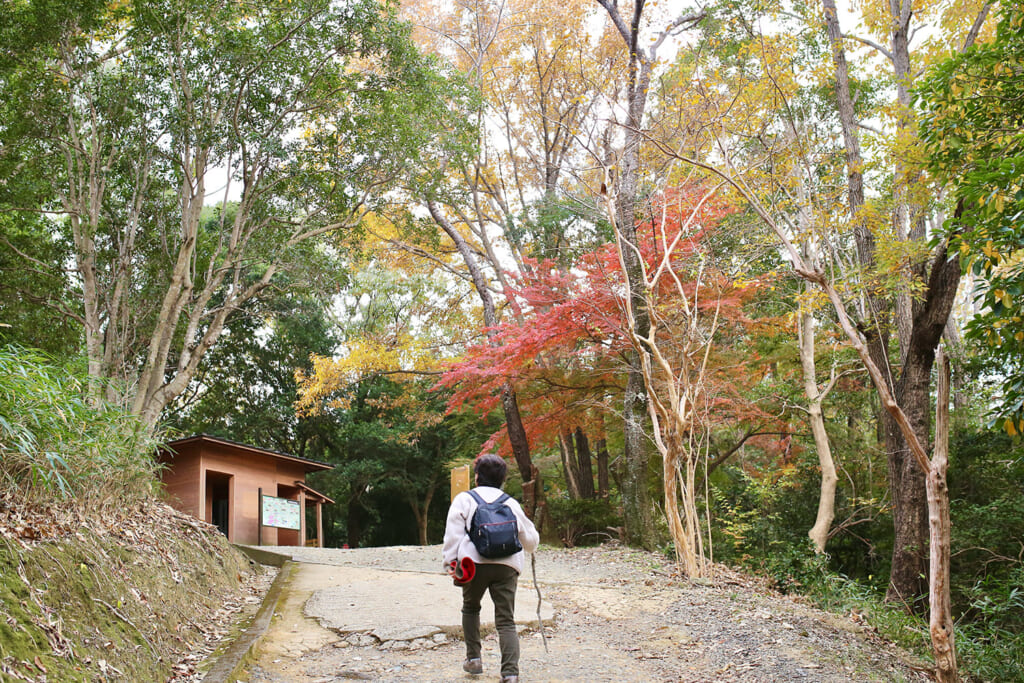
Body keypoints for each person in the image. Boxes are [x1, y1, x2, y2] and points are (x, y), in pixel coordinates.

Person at [442, 453, 539, 683]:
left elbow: (453, 536)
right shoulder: (510, 503)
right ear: (503, 479)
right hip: (507, 565)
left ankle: (474, 659)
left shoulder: (465, 500)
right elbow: (531, 542)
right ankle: (510, 673)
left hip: (474, 565)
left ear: (477, 477)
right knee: (506, 620)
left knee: (471, 608)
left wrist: (450, 563)